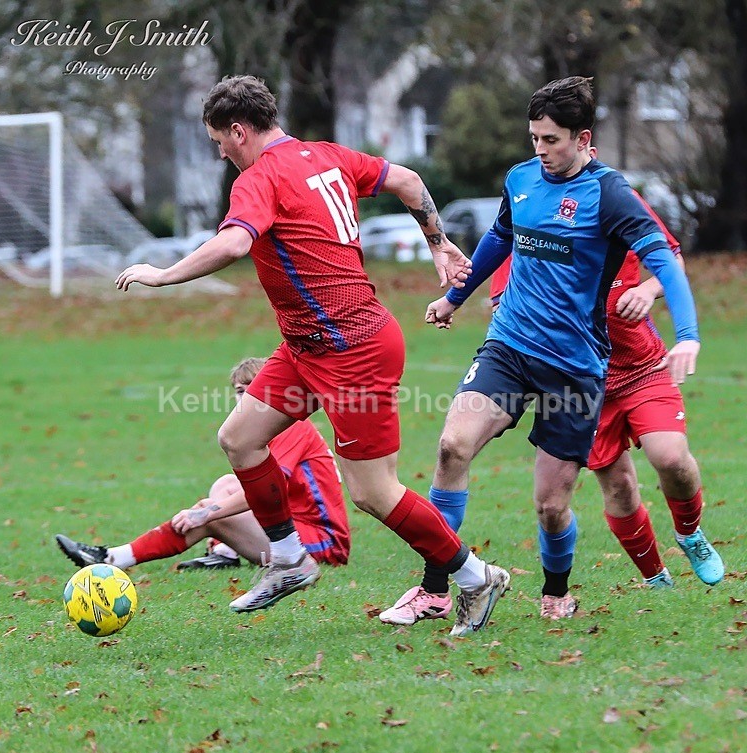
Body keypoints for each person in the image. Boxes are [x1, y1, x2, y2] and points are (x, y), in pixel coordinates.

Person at [114, 75, 509, 633]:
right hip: (307, 347)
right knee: (239, 439)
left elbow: (233, 242)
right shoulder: (327, 156)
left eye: (218, 140)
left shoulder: (261, 176)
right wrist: (437, 239)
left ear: (238, 129)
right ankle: (290, 558)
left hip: (353, 348)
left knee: (373, 491)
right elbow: (408, 179)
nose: (220, 151)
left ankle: (475, 577)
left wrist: (163, 274)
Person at [418, 76, 701, 622]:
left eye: (552, 140)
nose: (541, 151)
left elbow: (664, 259)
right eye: (534, 139)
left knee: (551, 506)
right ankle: (435, 588)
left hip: (573, 367)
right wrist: (455, 296)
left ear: (583, 138)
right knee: (452, 447)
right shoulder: (521, 178)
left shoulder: (610, 194)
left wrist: (687, 334)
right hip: (509, 347)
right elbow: (501, 237)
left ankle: (556, 593)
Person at [488, 186, 724, 588]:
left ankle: (689, 533)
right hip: (581, 383)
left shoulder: (616, 205)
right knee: (618, 487)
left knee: (670, 457)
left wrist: (647, 290)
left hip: (642, 367)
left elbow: (671, 260)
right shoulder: (526, 234)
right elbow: (501, 306)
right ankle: (657, 579)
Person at [55, 357, 351, 581]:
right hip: (294, 527)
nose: (246, 398)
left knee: (211, 513)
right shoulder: (265, 427)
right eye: (240, 391)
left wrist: (207, 513)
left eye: (255, 390)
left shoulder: (290, 426)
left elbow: (266, 493)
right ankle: (225, 554)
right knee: (226, 484)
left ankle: (111, 558)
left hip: (322, 544)